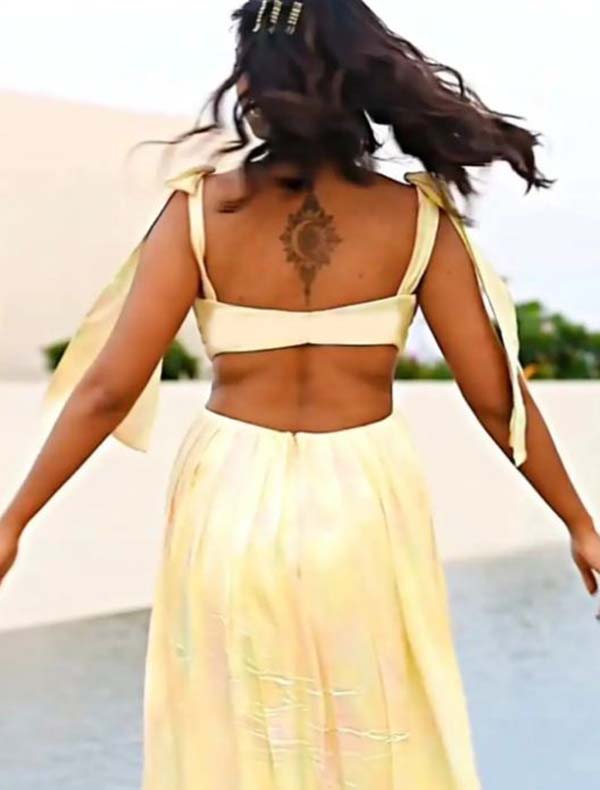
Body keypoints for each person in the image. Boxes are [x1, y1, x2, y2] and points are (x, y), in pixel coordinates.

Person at [1, 0, 598, 787]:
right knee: (370, 728)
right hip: (364, 495)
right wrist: (579, 523)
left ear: (251, 82)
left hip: (230, 491)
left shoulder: (201, 210)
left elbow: (110, 388)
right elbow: (494, 396)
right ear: (357, 79)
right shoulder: (415, 218)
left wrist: (14, 522)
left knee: (235, 733)